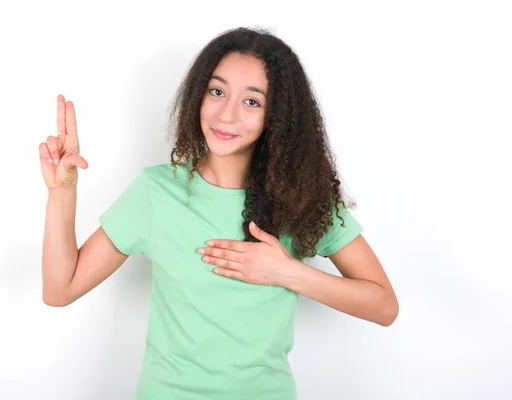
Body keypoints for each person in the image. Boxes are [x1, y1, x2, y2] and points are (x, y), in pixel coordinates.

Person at [39, 27, 399, 400]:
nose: (227, 115)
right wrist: (61, 193)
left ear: (278, 117)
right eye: (217, 92)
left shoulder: (303, 199)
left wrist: (287, 272)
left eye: (252, 102)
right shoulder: (156, 193)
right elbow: (59, 290)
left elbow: (384, 306)